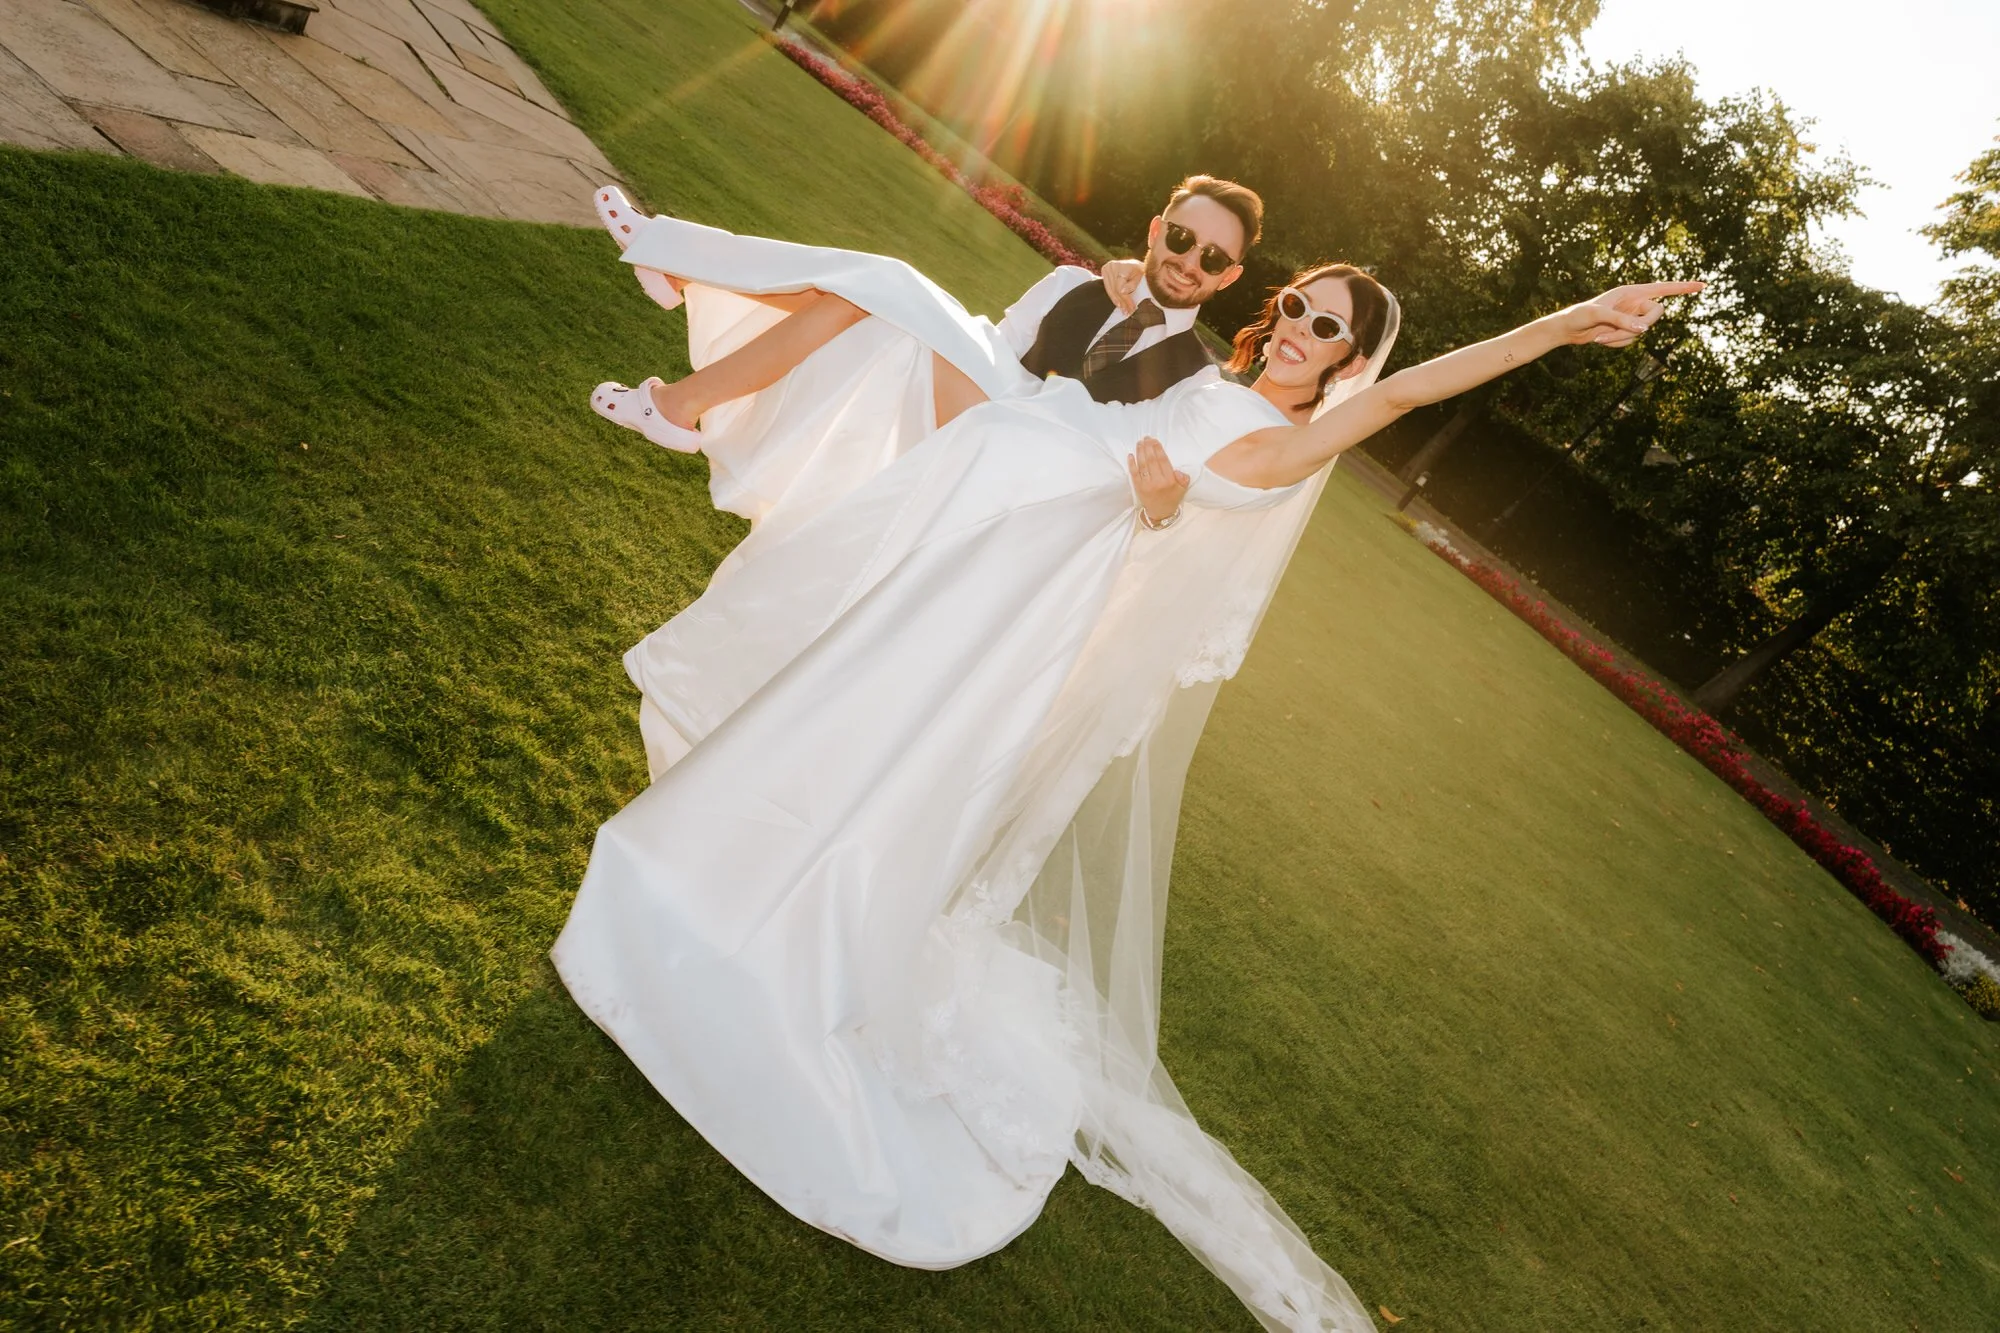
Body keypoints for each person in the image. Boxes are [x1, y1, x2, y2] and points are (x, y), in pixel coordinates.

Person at [552, 217, 1699, 1330]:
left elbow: (1395, 403)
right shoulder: (1223, 387)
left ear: (1350, 360)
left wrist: (1562, 325)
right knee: (890, 315)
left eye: (1327, 327)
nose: (1298, 326)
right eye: (1297, 304)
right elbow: (1121, 380)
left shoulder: (1289, 444)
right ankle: (690, 330)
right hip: (1023, 466)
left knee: (883, 681)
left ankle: (785, 882)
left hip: (1040, 549)